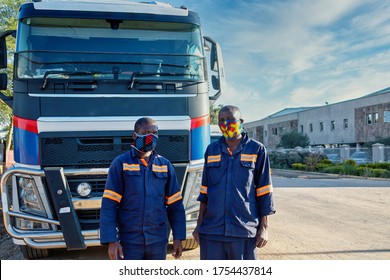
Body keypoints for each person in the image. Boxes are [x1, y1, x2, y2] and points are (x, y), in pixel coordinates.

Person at [192, 105, 276, 260]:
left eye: (230, 119)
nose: (226, 124)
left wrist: (264, 228)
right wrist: (199, 226)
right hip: (212, 232)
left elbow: (264, 191)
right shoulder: (211, 150)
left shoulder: (257, 149)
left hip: (243, 230)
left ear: (241, 121)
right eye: (222, 120)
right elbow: (204, 192)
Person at [99, 117, 186, 260]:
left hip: (157, 241)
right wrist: (111, 240)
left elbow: (175, 205)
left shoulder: (165, 165)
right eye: (146, 132)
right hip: (129, 242)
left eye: (155, 133)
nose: (151, 136)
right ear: (135, 135)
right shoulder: (121, 163)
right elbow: (109, 205)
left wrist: (179, 237)